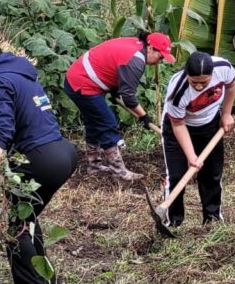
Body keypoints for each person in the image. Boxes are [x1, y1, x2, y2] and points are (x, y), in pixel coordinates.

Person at [0, 38, 78, 284]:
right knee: (25, 219)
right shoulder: (21, 74)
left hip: (41, 157)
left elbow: (2, 125)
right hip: (62, 153)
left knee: (13, 225)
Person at [64, 31, 175, 181]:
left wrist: (114, 91)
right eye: (160, 57)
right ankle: (118, 170)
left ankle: (94, 165)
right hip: (83, 83)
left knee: (94, 122)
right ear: (150, 48)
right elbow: (129, 98)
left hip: (82, 78)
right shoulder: (136, 61)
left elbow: (116, 65)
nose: (159, 62)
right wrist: (144, 117)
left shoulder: (138, 46)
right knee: (107, 123)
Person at [161, 51, 235, 227]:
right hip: (177, 127)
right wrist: (191, 156)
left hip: (210, 124)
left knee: (212, 174)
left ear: (212, 75)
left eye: (205, 82)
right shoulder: (177, 91)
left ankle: (212, 218)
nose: (200, 87)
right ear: (187, 75)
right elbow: (178, 125)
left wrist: (226, 114)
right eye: (194, 82)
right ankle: (172, 221)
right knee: (177, 175)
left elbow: (231, 86)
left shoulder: (223, 68)